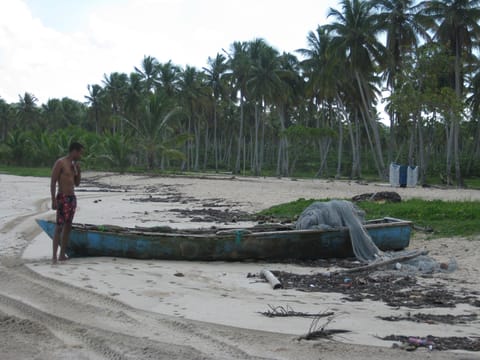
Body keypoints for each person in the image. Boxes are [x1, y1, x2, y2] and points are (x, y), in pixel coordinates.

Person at [50, 142, 84, 264]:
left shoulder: (74, 165)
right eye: (80, 152)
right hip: (62, 197)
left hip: (72, 198)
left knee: (68, 226)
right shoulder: (61, 163)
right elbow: (53, 181)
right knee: (59, 226)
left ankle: (62, 254)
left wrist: (78, 171)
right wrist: (53, 199)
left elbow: (77, 183)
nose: (80, 155)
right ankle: (54, 256)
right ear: (74, 151)